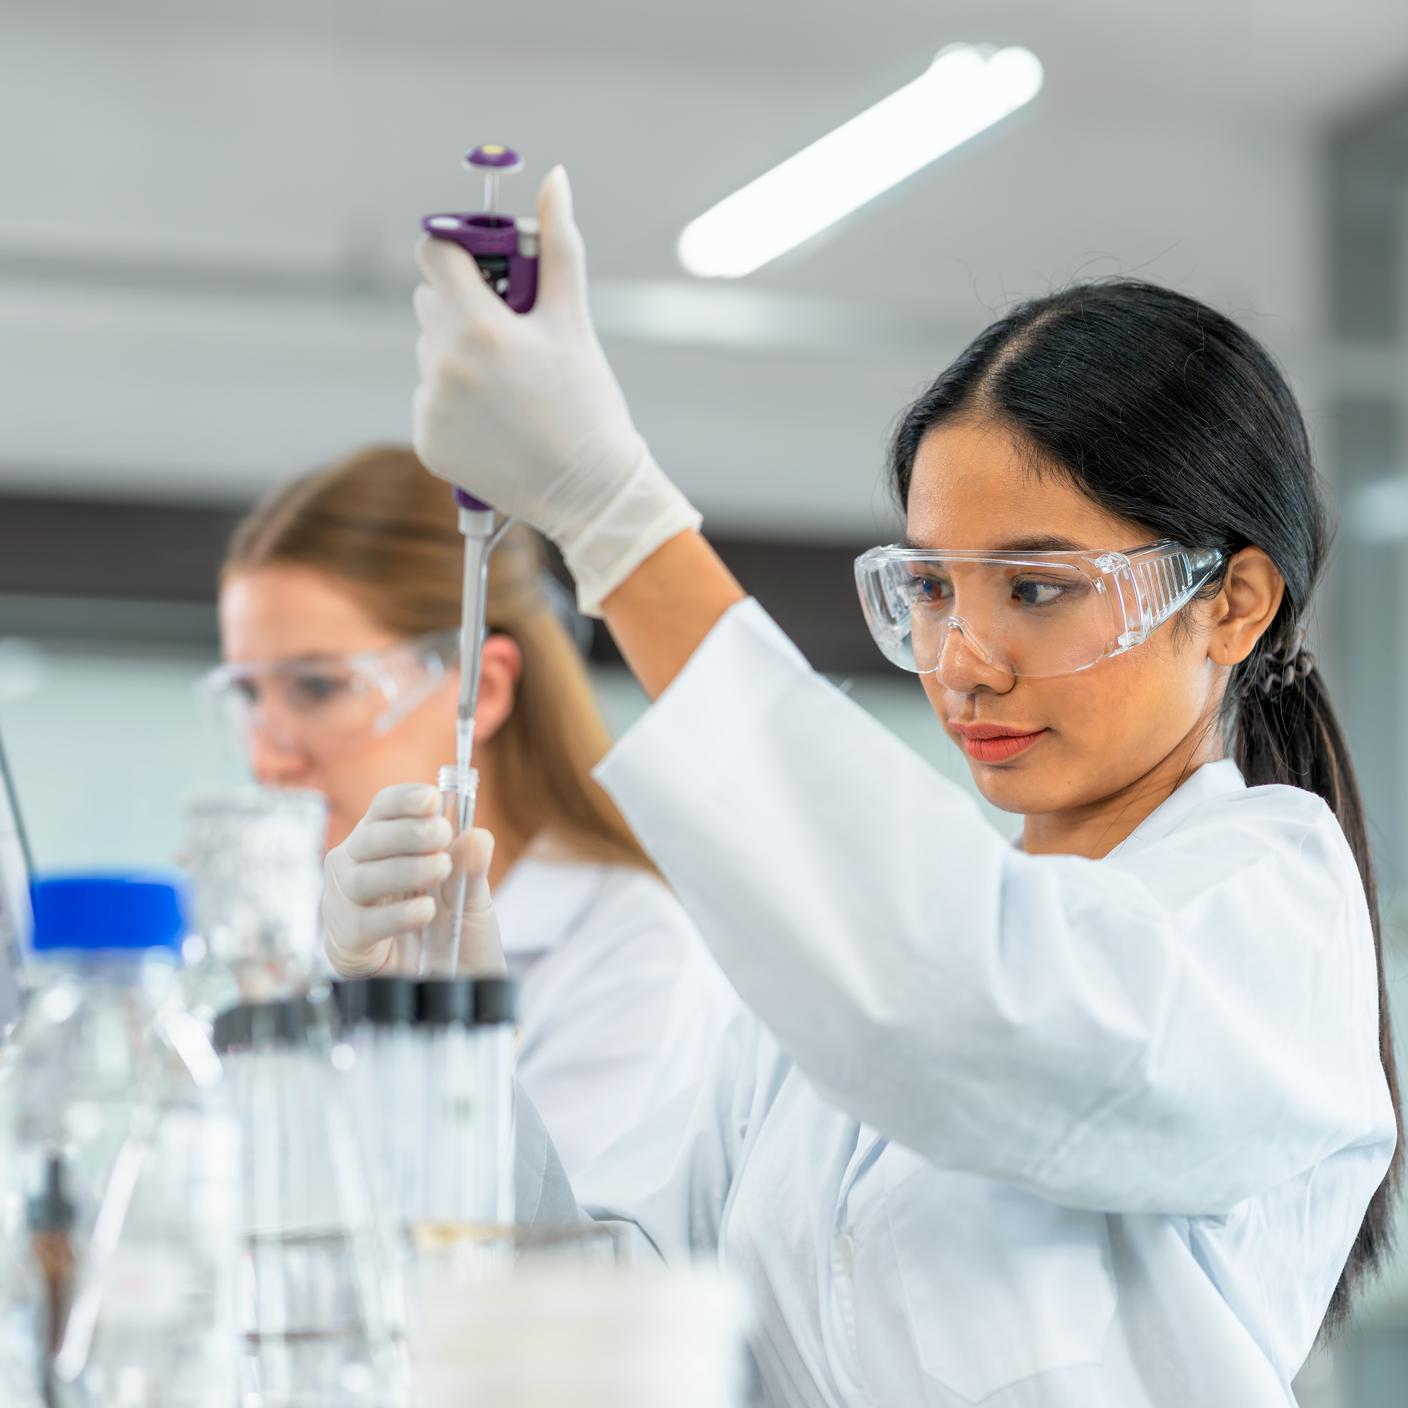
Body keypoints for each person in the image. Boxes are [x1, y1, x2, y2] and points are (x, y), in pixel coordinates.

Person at [329, 169, 1401, 1405]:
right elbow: (621, 1333)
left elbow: (970, 1009)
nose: (962, 661)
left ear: (1231, 603)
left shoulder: (1265, 913)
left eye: (1036, 589)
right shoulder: (840, 977)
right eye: (933, 588)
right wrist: (440, 1040)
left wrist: (615, 522)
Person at [213, 446, 734, 1174]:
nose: (269, 759)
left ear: (483, 691)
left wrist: (426, 1042)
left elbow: (536, 1259)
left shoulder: (632, 955)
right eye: (248, 697)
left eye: (317, 688)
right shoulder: (301, 934)